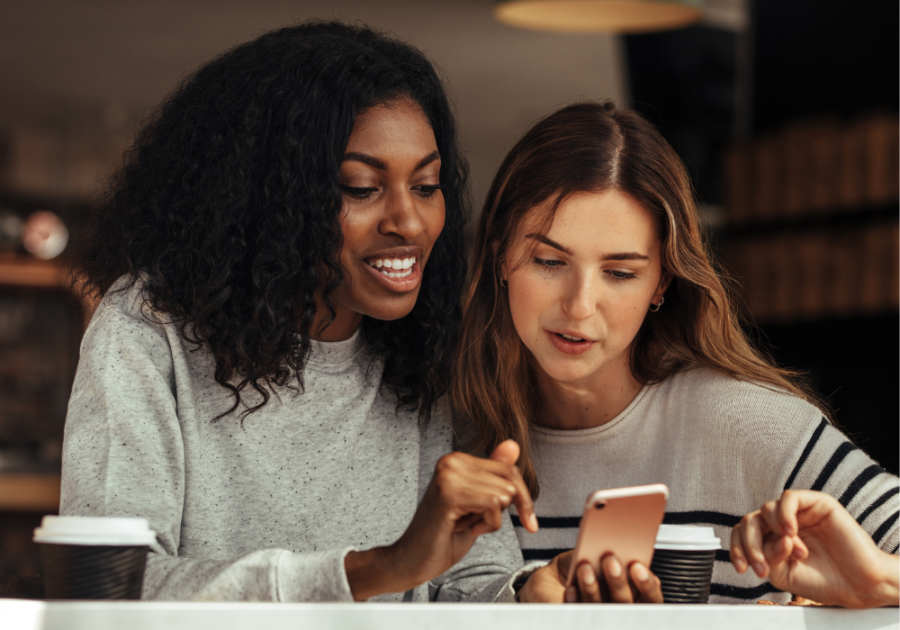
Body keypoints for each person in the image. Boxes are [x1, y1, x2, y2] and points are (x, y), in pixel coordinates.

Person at [61, 21, 536, 603]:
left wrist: (540, 596)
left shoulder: (424, 348)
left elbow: (465, 585)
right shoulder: (148, 327)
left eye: (427, 184)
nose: (409, 222)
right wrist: (375, 570)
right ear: (272, 200)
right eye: (361, 188)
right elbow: (111, 584)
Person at [452, 101, 899, 605]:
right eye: (550, 261)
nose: (579, 306)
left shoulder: (745, 423)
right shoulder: (449, 441)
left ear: (662, 280)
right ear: (499, 257)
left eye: (620, 273)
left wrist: (880, 581)